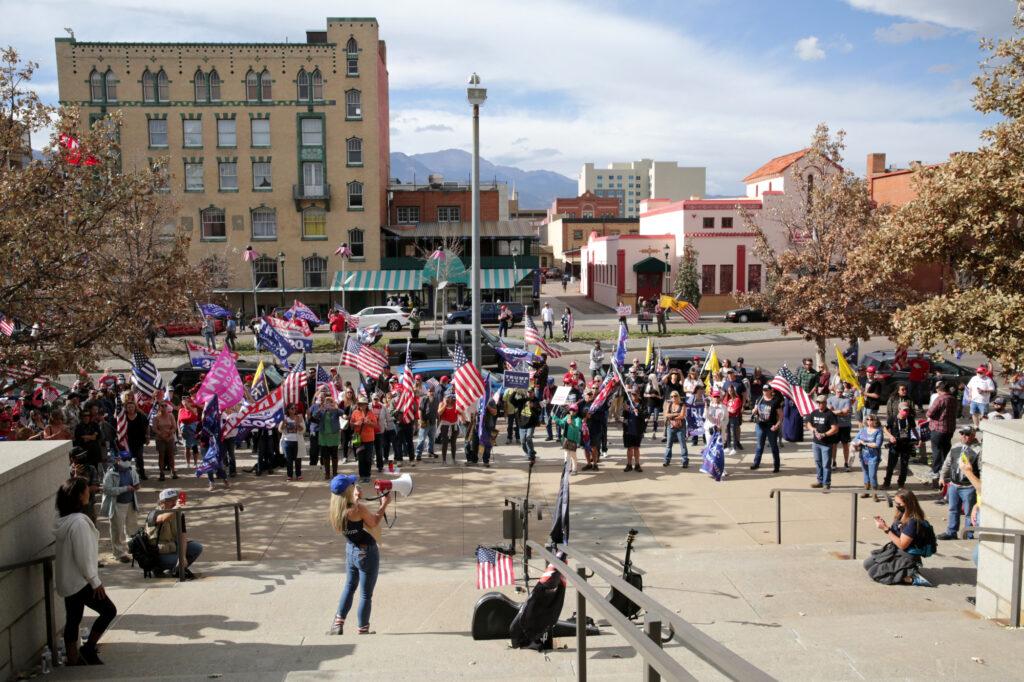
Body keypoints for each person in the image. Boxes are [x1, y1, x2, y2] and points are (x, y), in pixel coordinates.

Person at [55, 478, 117, 665]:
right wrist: (94, 580)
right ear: (79, 495)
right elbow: (83, 555)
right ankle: (88, 648)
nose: (89, 492)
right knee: (108, 611)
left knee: (73, 617)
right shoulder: (79, 523)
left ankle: (73, 658)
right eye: (86, 490)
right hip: (82, 580)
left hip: (69, 580)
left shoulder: (64, 521)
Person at [328, 473, 390, 635]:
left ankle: (337, 623)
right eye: (351, 485)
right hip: (366, 553)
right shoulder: (358, 509)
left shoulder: (336, 509)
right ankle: (363, 629)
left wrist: (356, 498)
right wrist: (384, 504)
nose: (354, 486)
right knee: (365, 594)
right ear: (348, 490)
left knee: (349, 587)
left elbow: (350, 509)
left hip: (351, 550)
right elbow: (374, 522)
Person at [864, 489, 935, 587]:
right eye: (895, 502)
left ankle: (912, 577)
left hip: (906, 556)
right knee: (867, 564)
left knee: (873, 573)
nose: (896, 505)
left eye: (899, 503)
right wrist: (885, 526)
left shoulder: (912, 522)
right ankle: (904, 571)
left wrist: (886, 530)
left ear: (908, 504)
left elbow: (902, 545)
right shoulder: (901, 514)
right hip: (895, 551)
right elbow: (896, 534)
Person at [937, 426, 982, 540]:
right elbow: (947, 463)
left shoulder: (978, 450)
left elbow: (982, 470)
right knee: (953, 509)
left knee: (969, 513)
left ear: (973, 435)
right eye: (962, 434)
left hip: (969, 487)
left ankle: (968, 534)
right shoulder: (956, 446)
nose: (964, 436)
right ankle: (951, 532)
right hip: (954, 485)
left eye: (966, 434)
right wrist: (942, 476)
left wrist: (979, 487)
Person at [148, 488, 203, 579]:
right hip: (158, 554)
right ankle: (159, 569)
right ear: (162, 502)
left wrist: (183, 556)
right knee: (178, 560)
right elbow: (162, 519)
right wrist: (175, 508)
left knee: (196, 548)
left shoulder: (179, 514)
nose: (174, 502)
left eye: (175, 499)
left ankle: (177, 570)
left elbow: (183, 536)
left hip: (172, 548)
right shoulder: (154, 513)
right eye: (170, 500)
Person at [100, 451, 140, 562]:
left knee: (132, 527)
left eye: (128, 459)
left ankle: (131, 547)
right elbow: (107, 490)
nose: (127, 462)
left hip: (131, 503)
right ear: (118, 460)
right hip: (117, 504)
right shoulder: (110, 474)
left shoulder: (132, 470)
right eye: (124, 460)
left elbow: (136, 482)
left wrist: (136, 486)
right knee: (117, 529)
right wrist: (125, 488)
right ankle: (119, 553)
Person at [926, 381, 957, 484]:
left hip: (938, 428)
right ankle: (946, 472)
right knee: (946, 450)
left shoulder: (940, 399)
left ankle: (935, 471)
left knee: (937, 450)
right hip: (949, 428)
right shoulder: (953, 399)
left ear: (939, 390)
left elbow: (930, 413)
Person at [883, 401, 919, 490]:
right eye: (904, 410)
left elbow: (914, 429)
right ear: (899, 410)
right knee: (891, 465)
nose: (906, 412)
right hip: (895, 444)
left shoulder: (910, 418)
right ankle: (887, 482)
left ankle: (901, 483)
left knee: (904, 465)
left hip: (906, 444)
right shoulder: (892, 418)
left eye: (907, 410)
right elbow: (885, 428)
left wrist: (918, 439)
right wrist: (890, 436)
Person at [806, 394, 839, 490]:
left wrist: (824, 434)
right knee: (818, 462)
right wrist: (813, 429)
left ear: (825, 403)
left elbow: (835, 429)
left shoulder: (830, 414)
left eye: (822, 402)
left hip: (826, 444)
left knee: (826, 464)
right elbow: (808, 423)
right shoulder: (814, 413)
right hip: (816, 443)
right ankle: (820, 481)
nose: (820, 404)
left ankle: (826, 483)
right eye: (818, 402)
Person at [750, 384, 783, 472]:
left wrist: (777, 425)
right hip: (760, 425)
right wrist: (754, 411)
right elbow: (755, 410)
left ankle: (776, 466)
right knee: (759, 446)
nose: (764, 391)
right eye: (763, 390)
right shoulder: (759, 399)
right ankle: (756, 464)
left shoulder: (776, 401)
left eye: (766, 390)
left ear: (771, 390)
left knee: (773, 446)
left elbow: (781, 416)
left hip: (771, 426)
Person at [853, 414, 884, 499]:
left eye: (871, 419)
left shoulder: (878, 431)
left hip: (873, 456)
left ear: (875, 421)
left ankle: (874, 493)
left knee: (872, 475)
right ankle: (866, 491)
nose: (869, 421)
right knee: (866, 474)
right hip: (863, 456)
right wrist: (857, 442)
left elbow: (877, 444)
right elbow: (855, 439)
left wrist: (864, 443)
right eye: (868, 419)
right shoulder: (863, 430)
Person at [350, 395, 379, 481]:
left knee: (368, 458)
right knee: (361, 458)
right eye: (360, 404)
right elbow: (351, 425)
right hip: (359, 440)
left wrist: (369, 422)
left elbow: (376, 426)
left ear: (366, 405)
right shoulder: (355, 412)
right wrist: (356, 424)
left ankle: (367, 475)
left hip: (369, 439)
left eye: (364, 404)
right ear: (358, 405)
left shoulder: (371, 413)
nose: (362, 406)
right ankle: (362, 476)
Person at [828, 384, 854, 471]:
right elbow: (828, 411)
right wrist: (840, 412)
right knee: (833, 445)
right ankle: (833, 462)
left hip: (845, 425)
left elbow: (846, 412)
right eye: (838, 391)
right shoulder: (830, 399)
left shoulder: (847, 400)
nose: (840, 393)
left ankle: (846, 463)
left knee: (845, 445)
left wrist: (834, 412)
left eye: (841, 391)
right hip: (834, 426)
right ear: (835, 390)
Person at [151, 400, 178, 481]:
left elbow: (174, 426)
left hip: (170, 438)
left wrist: (170, 433)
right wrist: (162, 435)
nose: (164, 407)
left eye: (165, 405)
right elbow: (154, 428)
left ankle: (173, 471)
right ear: (159, 407)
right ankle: (161, 473)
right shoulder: (156, 417)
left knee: (171, 455)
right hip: (160, 439)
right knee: (161, 456)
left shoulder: (171, 415)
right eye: (162, 406)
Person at [123, 399, 149, 480]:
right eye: (128, 407)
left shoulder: (141, 416)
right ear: (126, 408)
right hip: (127, 442)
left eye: (132, 407)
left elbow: (147, 426)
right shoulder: (123, 417)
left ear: (135, 407)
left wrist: (147, 436)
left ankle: (142, 474)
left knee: (139, 458)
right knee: (127, 459)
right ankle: (127, 476)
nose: (130, 408)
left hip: (139, 441)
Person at [622, 389, 647, 472]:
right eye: (632, 394)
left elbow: (646, 414)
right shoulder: (628, 402)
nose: (633, 396)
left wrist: (638, 412)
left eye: (635, 394)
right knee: (629, 448)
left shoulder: (642, 403)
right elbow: (624, 416)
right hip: (628, 429)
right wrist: (625, 410)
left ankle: (637, 464)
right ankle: (629, 464)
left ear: (638, 394)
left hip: (638, 429)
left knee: (636, 448)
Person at [554, 403, 583, 474]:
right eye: (570, 410)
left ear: (576, 411)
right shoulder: (567, 416)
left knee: (573, 455)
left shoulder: (578, 419)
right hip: (566, 438)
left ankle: (574, 469)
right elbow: (561, 423)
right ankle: (567, 468)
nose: (572, 411)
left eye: (574, 410)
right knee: (566, 454)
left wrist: (571, 424)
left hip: (573, 439)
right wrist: (555, 418)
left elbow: (578, 428)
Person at [279, 404, 305, 481]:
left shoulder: (299, 418)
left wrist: (297, 424)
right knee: (289, 460)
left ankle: (298, 474)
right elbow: (280, 430)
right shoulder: (285, 418)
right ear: (288, 410)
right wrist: (284, 423)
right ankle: (289, 475)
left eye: (295, 408)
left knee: (298, 459)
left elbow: (303, 430)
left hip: (297, 442)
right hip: (287, 442)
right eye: (292, 408)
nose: (294, 410)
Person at [663, 390, 689, 468]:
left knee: (683, 445)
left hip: (680, 427)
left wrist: (672, 416)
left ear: (678, 396)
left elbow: (682, 416)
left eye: (675, 396)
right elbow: (666, 415)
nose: (673, 397)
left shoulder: (682, 404)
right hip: (670, 427)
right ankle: (666, 460)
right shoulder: (669, 404)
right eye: (671, 396)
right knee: (668, 445)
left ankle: (685, 461)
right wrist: (676, 414)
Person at [178, 396, 201, 469]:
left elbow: (195, 414)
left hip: (193, 430)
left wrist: (188, 407)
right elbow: (178, 422)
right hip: (184, 430)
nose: (185, 402)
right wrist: (179, 431)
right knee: (187, 447)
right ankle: (187, 463)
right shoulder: (181, 410)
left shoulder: (194, 408)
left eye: (187, 401)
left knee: (194, 446)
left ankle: (195, 463)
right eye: (184, 401)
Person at [437, 393, 460, 465]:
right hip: (445, 425)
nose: (449, 398)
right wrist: (445, 405)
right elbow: (439, 413)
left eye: (451, 397)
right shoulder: (442, 403)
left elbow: (460, 412)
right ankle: (444, 460)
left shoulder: (456, 404)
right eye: (448, 397)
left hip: (454, 425)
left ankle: (454, 459)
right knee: (445, 443)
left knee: (453, 443)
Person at [416, 386, 438, 459]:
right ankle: (418, 454)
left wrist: (438, 418)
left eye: (432, 391)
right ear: (427, 392)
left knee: (432, 439)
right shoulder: (424, 399)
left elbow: (437, 410)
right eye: (429, 391)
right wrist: (421, 420)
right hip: (425, 422)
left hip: (433, 422)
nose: (431, 392)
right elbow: (420, 410)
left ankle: (430, 452)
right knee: (422, 439)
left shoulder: (436, 399)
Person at [723, 384, 743, 455]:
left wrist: (727, 409)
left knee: (734, 433)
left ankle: (734, 448)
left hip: (734, 418)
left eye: (731, 390)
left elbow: (734, 410)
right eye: (728, 390)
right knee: (727, 432)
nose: (730, 392)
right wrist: (728, 409)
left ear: (733, 390)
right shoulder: (728, 399)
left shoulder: (737, 399)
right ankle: (728, 447)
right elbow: (724, 407)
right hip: (728, 417)